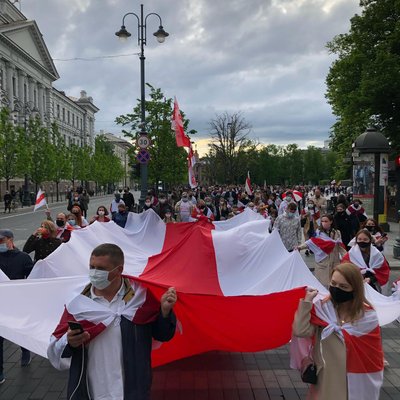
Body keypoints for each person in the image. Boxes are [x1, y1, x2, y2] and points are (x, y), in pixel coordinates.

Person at [47, 243, 177, 400]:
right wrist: (69, 342)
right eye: (92, 266)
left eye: (101, 269)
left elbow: (162, 335)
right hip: (92, 390)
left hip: (133, 389)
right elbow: (55, 348)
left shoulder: (140, 297)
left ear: (119, 270)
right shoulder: (77, 304)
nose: (94, 273)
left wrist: (165, 312)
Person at [292, 263, 384, 400]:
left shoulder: (368, 317)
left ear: (355, 289)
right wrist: (307, 302)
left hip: (353, 379)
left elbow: (372, 356)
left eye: (343, 287)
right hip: (326, 378)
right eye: (333, 284)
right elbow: (300, 331)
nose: (336, 289)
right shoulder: (322, 310)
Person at [0, 229, 34, 384]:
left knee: (20, 328)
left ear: (10, 240)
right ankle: (0, 372)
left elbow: (33, 277)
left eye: (2, 240)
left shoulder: (23, 258)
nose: (0, 243)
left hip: (18, 300)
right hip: (2, 302)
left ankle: (25, 349)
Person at [297, 214, 346, 287]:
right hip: (322, 262)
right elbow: (310, 242)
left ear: (331, 222)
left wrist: (346, 257)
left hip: (334, 261)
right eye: (322, 221)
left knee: (334, 284)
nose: (324, 223)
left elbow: (340, 247)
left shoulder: (337, 233)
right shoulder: (318, 233)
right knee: (321, 284)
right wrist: (300, 247)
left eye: (326, 221)